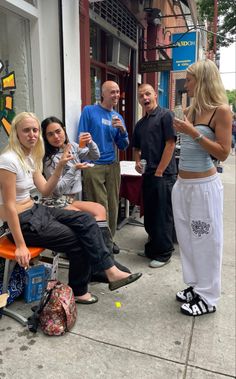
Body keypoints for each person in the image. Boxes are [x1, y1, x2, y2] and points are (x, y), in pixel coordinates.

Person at [0, 112, 142, 305]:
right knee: (78, 239)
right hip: (20, 222)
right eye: (26, 130)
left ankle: (108, 270)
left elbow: (46, 190)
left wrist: (60, 167)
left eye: (35, 130)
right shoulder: (8, 160)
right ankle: (83, 288)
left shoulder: (30, 158)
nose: (32, 134)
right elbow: (8, 206)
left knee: (86, 220)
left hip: (36, 210)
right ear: (16, 133)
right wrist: (21, 245)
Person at [172, 59, 232, 317]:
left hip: (203, 187)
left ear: (204, 80)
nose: (188, 83)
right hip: (183, 185)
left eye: (191, 78)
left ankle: (209, 297)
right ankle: (196, 285)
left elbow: (223, 152)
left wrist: (193, 133)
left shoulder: (221, 110)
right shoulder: (192, 109)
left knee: (206, 240)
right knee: (187, 239)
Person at [41, 116, 130, 280]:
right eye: (50, 134)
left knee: (99, 209)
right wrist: (74, 169)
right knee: (89, 219)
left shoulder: (72, 147)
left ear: (64, 130)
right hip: (55, 203)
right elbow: (57, 191)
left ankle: (107, 260)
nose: (56, 137)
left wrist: (91, 142)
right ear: (45, 138)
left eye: (58, 131)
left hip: (70, 200)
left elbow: (94, 156)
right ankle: (101, 267)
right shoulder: (49, 159)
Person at [78, 81, 129, 253]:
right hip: (94, 165)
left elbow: (123, 145)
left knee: (113, 205)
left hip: (112, 165)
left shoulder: (118, 117)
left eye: (118, 92)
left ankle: (110, 240)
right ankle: (100, 243)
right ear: (103, 93)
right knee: (99, 206)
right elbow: (82, 137)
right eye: (112, 92)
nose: (116, 95)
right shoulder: (89, 111)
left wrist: (122, 130)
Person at [132, 83, 177, 268]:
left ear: (155, 96)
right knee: (149, 214)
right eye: (141, 96)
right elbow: (136, 147)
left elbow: (170, 144)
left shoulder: (166, 115)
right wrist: (136, 162)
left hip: (164, 175)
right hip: (148, 174)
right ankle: (152, 248)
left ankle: (164, 253)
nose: (145, 98)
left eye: (148, 94)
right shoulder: (141, 123)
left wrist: (159, 170)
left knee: (162, 215)